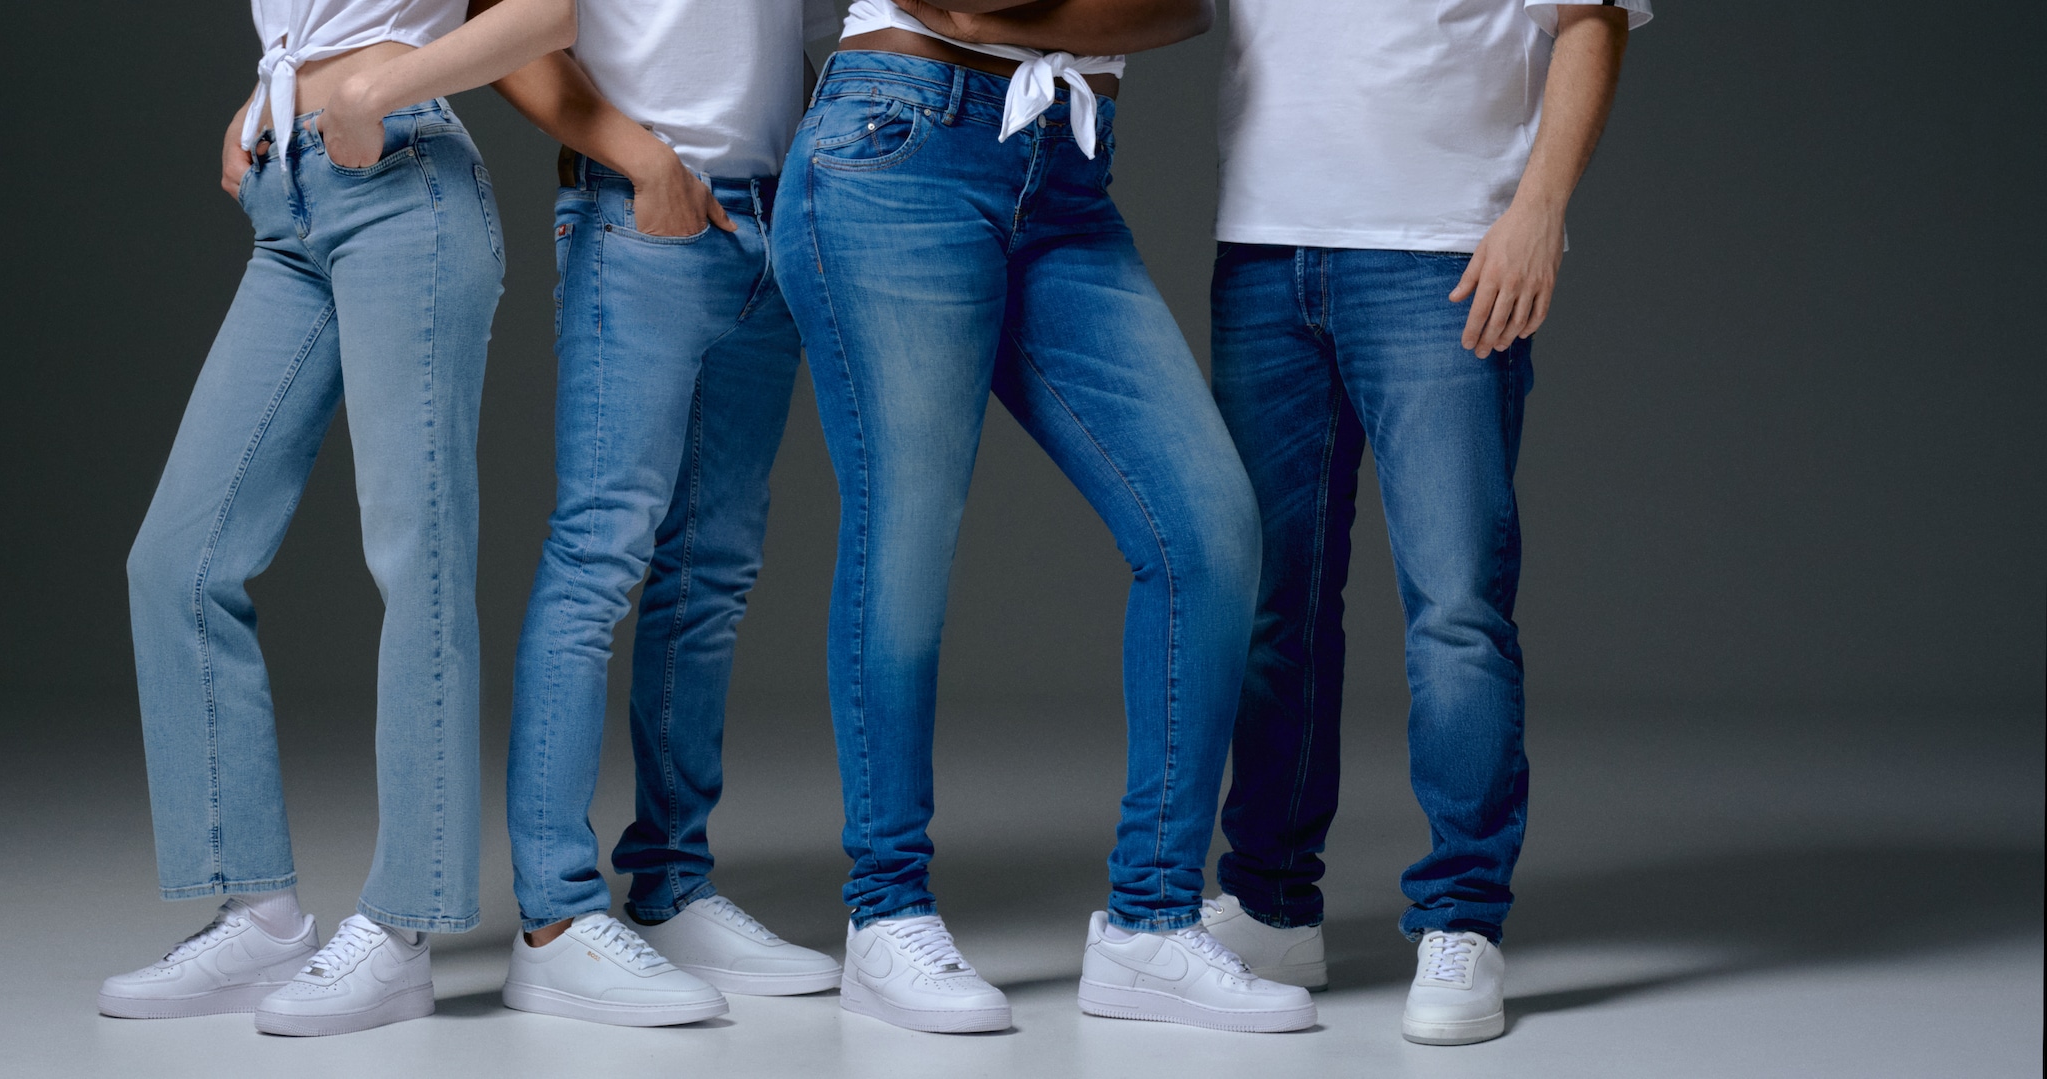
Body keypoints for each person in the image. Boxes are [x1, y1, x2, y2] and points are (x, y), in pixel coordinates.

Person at [768, 0, 1318, 1035]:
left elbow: (1181, 11)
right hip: (899, 146)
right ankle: (886, 912)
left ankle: (1152, 922)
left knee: (1209, 531)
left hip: (1066, 171)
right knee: (905, 540)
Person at [95, 0, 576, 1038]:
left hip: (405, 182)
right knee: (177, 562)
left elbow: (549, 14)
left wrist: (377, 89)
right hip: (290, 201)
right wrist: (268, 88)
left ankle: (402, 927)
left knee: (418, 563)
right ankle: (259, 918)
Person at [1194, 0, 1647, 1047]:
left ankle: (1461, 919)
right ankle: (1271, 901)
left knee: (1456, 610)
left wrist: (1540, 208)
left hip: (1441, 252)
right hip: (1263, 250)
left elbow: (1594, 18)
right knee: (1274, 606)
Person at [485, 0, 847, 1029]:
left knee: (712, 570)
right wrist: (645, 161)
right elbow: (503, 25)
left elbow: (784, 47)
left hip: (766, 220)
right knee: (598, 557)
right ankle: (554, 919)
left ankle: (672, 884)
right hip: (639, 211)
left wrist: (800, 181)